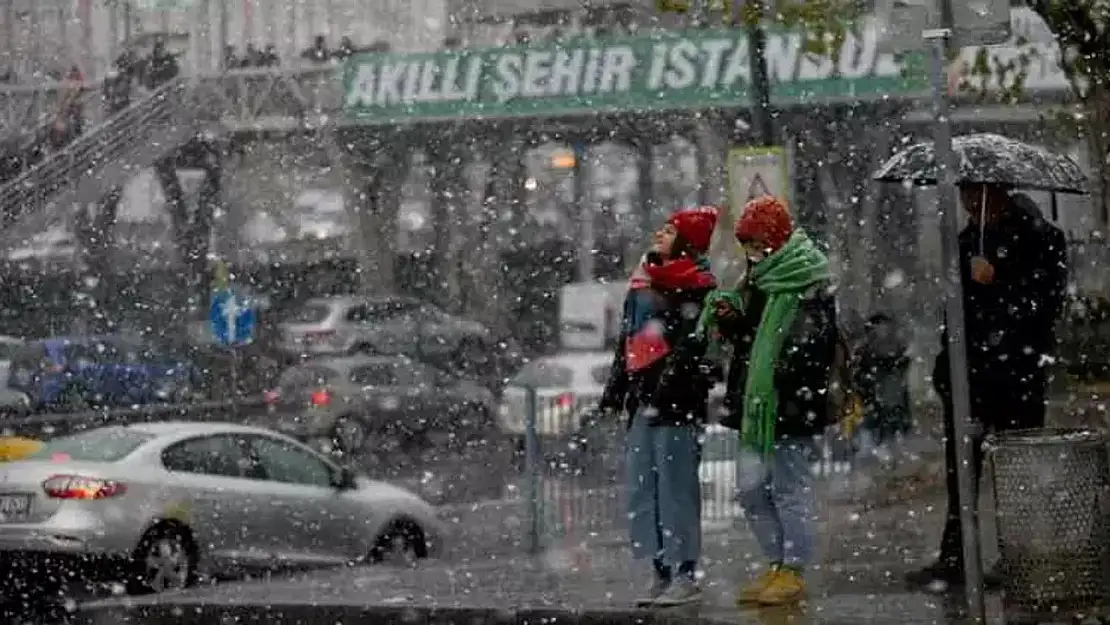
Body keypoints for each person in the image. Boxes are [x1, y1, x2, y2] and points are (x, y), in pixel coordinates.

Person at [905, 184, 1068, 590]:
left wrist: (996, 283)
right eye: (964, 194)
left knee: (1016, 472)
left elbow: (1044, 305)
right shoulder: (966, 241)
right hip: (969, 377)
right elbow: (955, 312)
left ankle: (1018, 555)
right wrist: (946, 370)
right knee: (961, 471)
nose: (968, 203)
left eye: (975, 194)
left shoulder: (1041, 237)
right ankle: (956, 557)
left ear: (997, 193)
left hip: (1017, 375)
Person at [703, 195, 837, 606]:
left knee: (788, 487)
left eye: (758, 244)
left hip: (789, 406)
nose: (753, 254)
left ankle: (793, 569)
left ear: (776, 239)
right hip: (757, 405)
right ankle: (776, 563)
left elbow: (814, 349)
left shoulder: (804, 282)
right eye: (748, 245)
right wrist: (733, 323)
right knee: (751, 489)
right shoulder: (762, 282)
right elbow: (753, 342)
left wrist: (779, 370)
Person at [598, 206, 719, 607]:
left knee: (676, 488)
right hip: (642, 402)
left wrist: (672, 378)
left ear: (687, 242)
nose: (659, 235)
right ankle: (660, 569)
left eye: (669, 231)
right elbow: (627, 342)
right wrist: (616, 391)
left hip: (677, 404)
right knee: (642, 489)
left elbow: (697, 347)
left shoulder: (698, 287)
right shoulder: (642, 282)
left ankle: (685, 571)